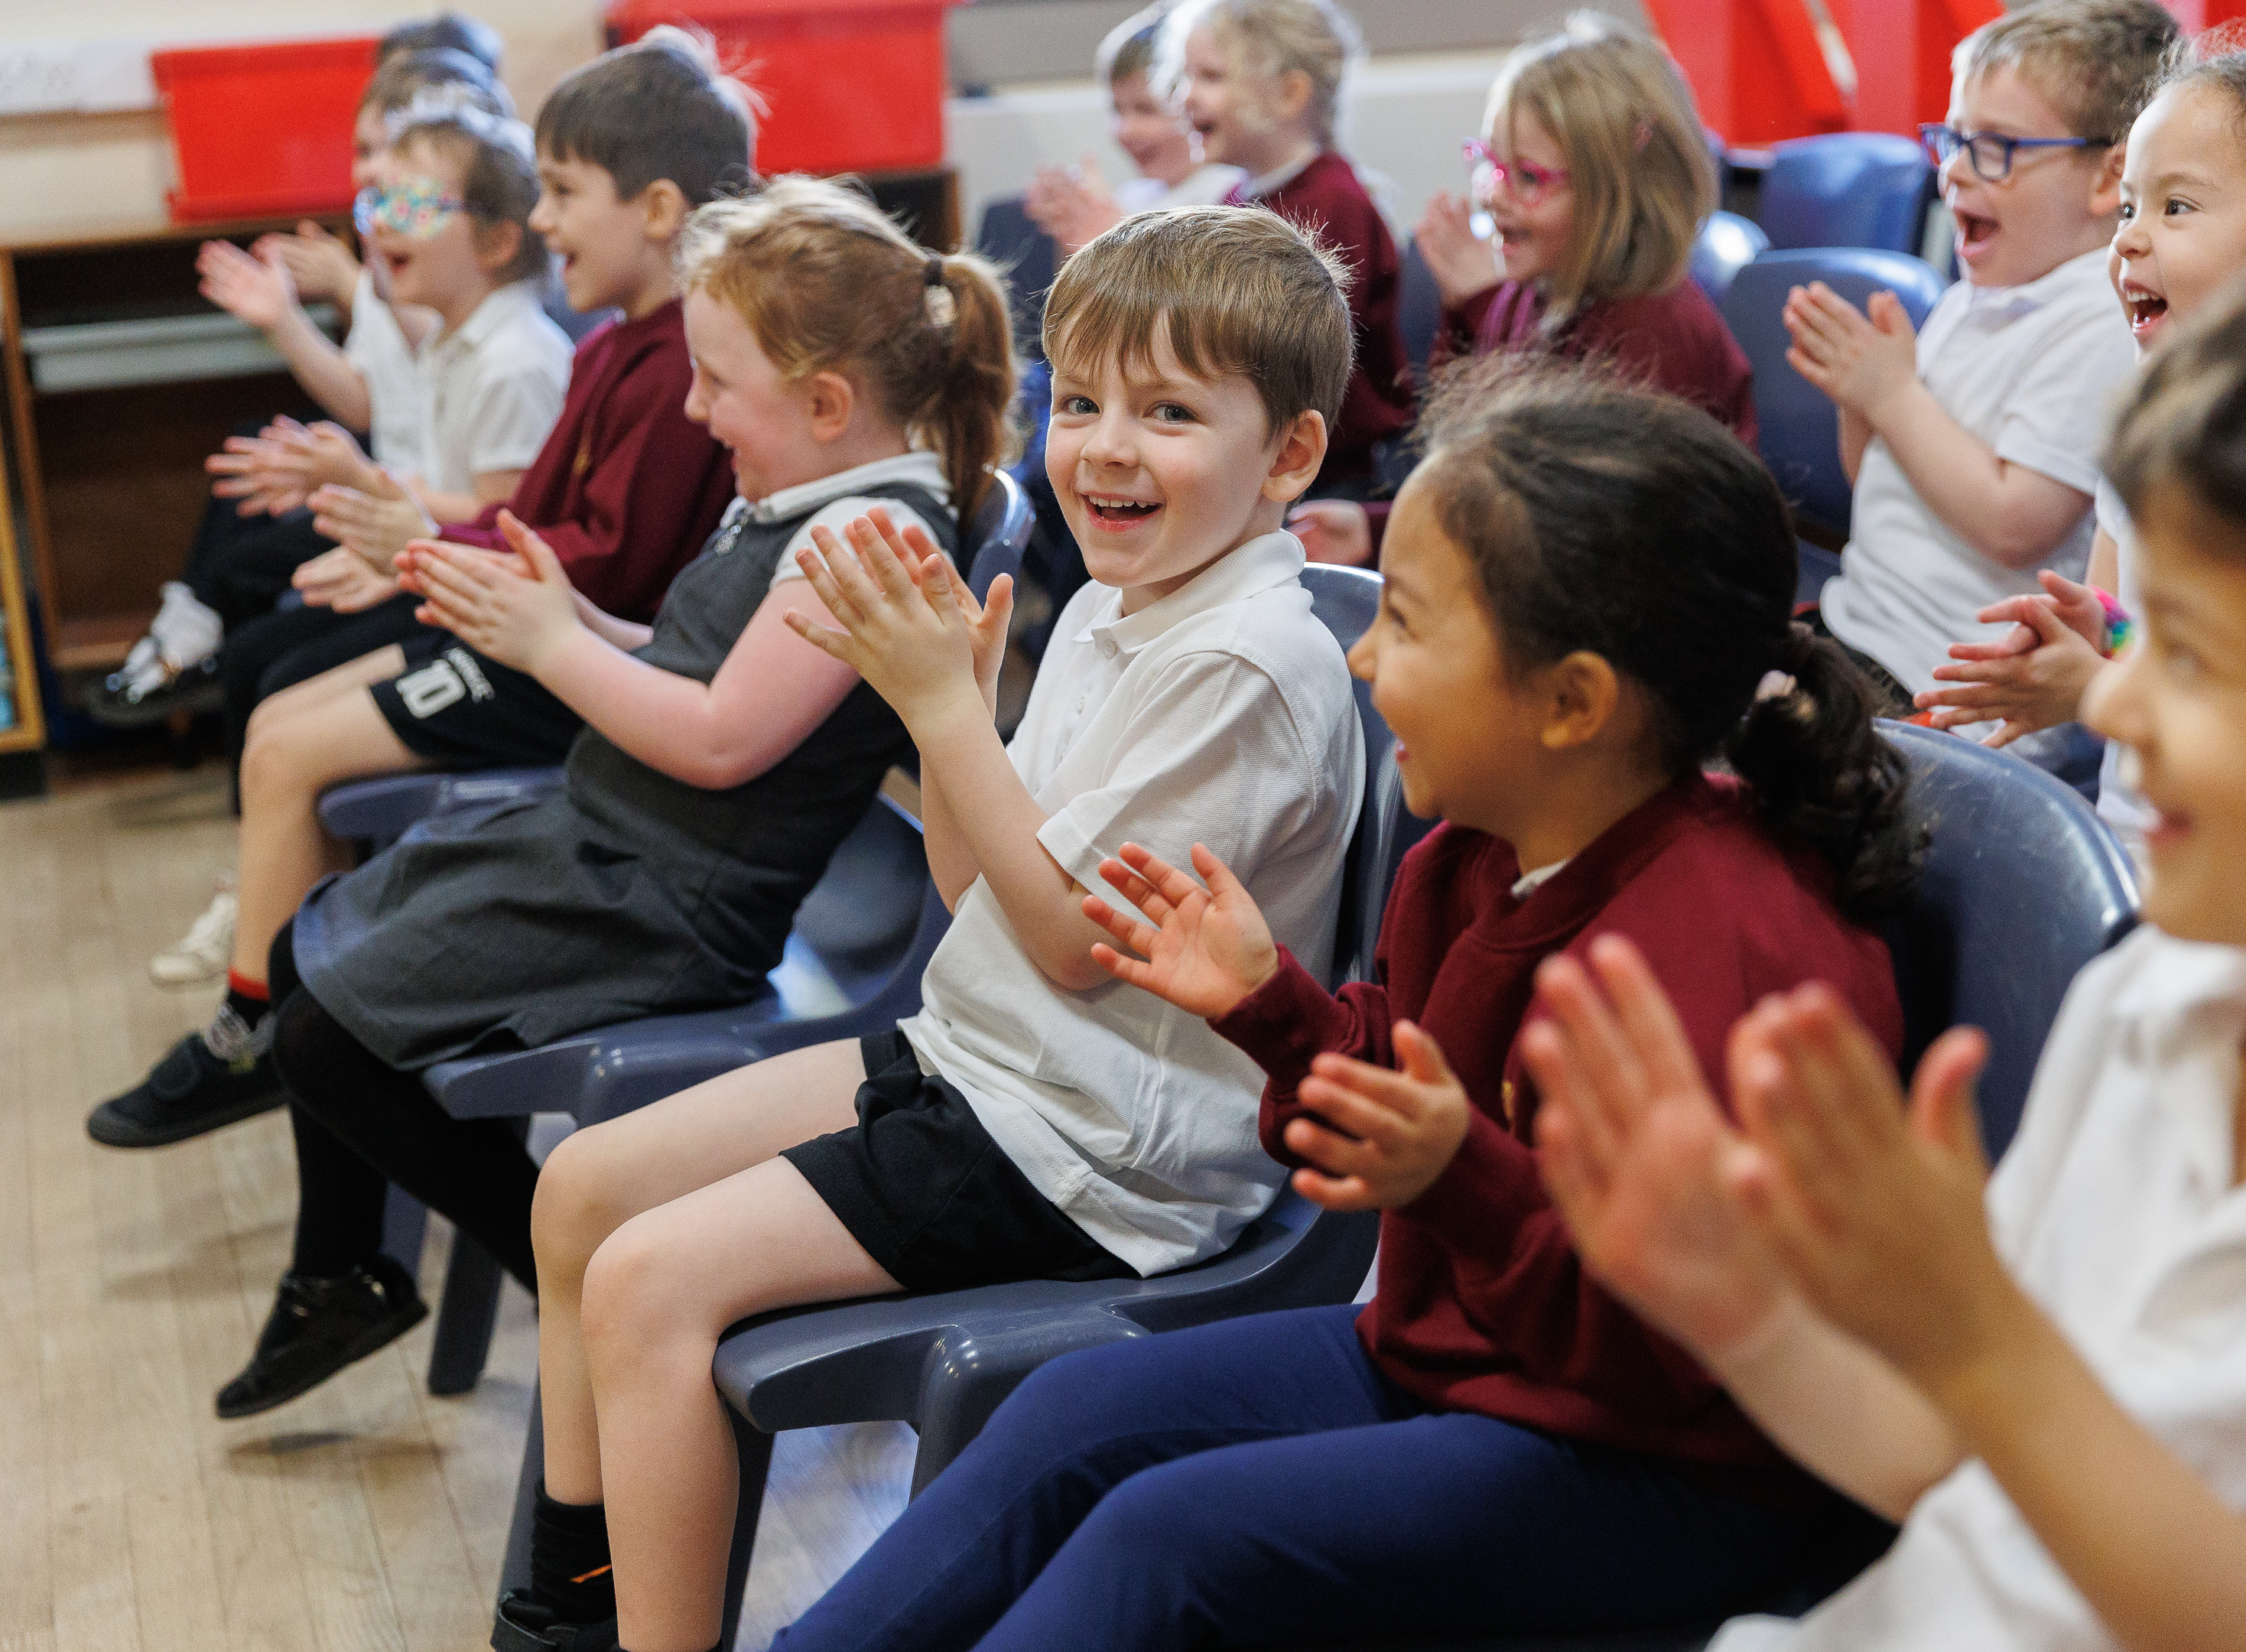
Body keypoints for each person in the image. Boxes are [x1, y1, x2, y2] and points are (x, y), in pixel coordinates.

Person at [765, 357, 1919, 1652]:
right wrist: (1271, 1008)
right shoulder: (1475, 848)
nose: (1366, 655)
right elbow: (1417, 1079)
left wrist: (1454, 1173)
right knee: (1067, 1418)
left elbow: (1669, 1339)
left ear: (1575, 701)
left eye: (1412, 627)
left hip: (1667, 1459)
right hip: (1466, 1362)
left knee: (1173, 1541)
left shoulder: (1722, 950)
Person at [1529, 213, 2246, 1652]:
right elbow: (1966, 1469)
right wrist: (1744, 1312)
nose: (2113, 708)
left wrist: (1988, 1348)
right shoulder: (2169, 1001)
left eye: (2192, 657)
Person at [495, 205, 1363, 1652]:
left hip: (1091, 1153)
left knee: (647, 1283)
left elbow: (1080, 941)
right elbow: (977, 891)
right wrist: (937, 711)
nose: (1104, 447)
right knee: (584, 1188)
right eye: (1080, 403)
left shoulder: (1247, 663)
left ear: (1288, 456)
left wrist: (952, 710)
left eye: (1168, 412)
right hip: (989, 1062)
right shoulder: (1118, 605)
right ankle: (570, 1603)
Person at [189, 174, 1016, 1439]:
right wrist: (570, 617)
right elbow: (689, 664)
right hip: (614, 847)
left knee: (320, 1035)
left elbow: (724, 743)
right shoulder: (813, 500)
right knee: (313, 955)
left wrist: (549, 647)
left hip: (668, 899)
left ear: (827, 402)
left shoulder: (864, 539)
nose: (693, 408)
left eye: (715, 384)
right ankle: (369, 1276)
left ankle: (569, 1290)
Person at [88, 31, 749, 1150]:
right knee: (280, 709)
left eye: (565, 193)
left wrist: (420, 540)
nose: (544, 222)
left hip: (572, 667)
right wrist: (415, 539)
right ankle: (271, 998)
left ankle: (255, 1024)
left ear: (657, 209)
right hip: (532, 633)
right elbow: (536, 524)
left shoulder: (669, 356)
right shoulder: (610, 351)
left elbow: (600, 570)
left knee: (288, 737)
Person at [1908, 38, 2246, 851]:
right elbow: (2126, 622)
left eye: (2176, 208)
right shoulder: (2154, 428)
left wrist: (2099, 691)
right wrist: (2092, 636)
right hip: (2138, 858)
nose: (2128, 243)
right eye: (2129, 209)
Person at [87, 44, 514, 738]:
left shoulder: (452, 299)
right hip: (410, 510)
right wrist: (291, 317)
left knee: (257, 629)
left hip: (429, 530)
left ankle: (188, 643)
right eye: (365, 152)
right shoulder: (411, 265)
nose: (368, 173)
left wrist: (347, 287)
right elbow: (377, 398)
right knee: (255, 465)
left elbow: (493, 509)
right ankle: (187, 635)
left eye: (389, 157)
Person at [1796, 0, 2177, 717]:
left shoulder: (2097, 318)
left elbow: (2012, 523)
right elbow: (1880, 490)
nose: (1956, 174)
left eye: (1996, 147)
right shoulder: (1976, 293)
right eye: (1953, 141)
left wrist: (1893, 397)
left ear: (2106, 180)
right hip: (1858, 630)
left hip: (1943, 681)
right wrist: (1862, 395)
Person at [1291, 13, 1756, 567]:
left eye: (1530, 178)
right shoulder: (1528, 290)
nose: (1491, 195)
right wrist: (1376, 530)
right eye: (1489, 163)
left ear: (1623, 195)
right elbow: (1482, 466)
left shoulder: (1654, 333)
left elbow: (1590, 540)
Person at [1159, 0, 1410, 493]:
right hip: (1255, 448)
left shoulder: (1332, 205)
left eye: (1210, 77)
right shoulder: (1238, 196)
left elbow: (1279, 353)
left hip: (1329, 472)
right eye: (1184, 77)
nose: (1185, 97)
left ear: (1290, 93)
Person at [1024, 2, 1245, 255]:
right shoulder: (1132, 197)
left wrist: (1113, 243)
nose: (1126, 130)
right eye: (1117, 110)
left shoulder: (1227, 197)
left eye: (1146, 110)